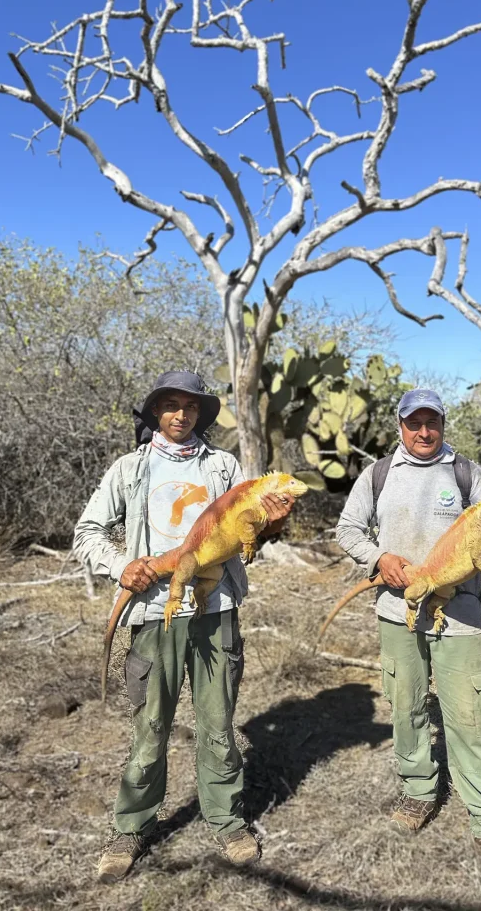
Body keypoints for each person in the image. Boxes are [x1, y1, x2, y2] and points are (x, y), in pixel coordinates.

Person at [73, 371, 295, 883]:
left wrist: (275, 522)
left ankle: (226, 818)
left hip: (215, 612)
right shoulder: (130, 469)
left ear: (200, 414)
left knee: (218, 723)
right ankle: (131, 827)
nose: (181, 414)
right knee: (150, 726)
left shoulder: (224, 467)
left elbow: (252, 541)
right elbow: (87, 532)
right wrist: (118, 564)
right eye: (170, 405)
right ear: (155, 412)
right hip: (154, 612)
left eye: (190, 407)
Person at [335, 389, 481, 866]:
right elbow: (348, 529)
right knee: (406, 704)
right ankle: (419, 791)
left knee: (470, 715)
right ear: (399, 425)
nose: (423, 432)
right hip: (397, 611)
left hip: (460, 613)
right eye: (413, 423)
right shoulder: (378, 475)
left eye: (431, 423)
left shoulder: (465, 473)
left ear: (442, 424)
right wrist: (380, 557)